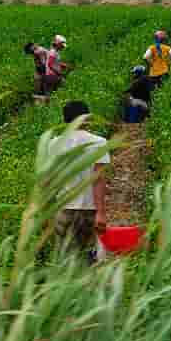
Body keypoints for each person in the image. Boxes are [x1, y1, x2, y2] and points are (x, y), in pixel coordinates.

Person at [47, 101, 110, 262]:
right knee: (88, 255)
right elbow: (98, 178)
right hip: (88, 209)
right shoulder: (98, 142)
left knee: (64, 257)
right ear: (87, 118)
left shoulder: (54, 143)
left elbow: (49, 179)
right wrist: (101, 213)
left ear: (65, 120)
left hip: (63, 208)